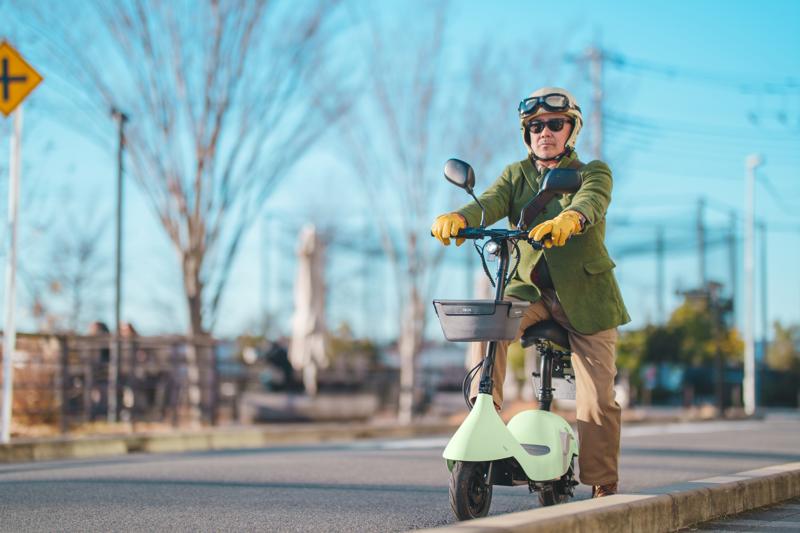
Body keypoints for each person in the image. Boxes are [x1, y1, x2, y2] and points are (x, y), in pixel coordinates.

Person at [430, 87, 630, 498]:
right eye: (536, 126)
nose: (545, 132)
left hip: (588, 299)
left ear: (571, 130)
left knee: (596, 397)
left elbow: (593, 201)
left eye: (555, 124)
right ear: (527, 134)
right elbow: (487, 203)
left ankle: (603, 483)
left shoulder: (593, 171)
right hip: (531, 292)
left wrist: (570, 219)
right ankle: (485, 420)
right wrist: (458, 216)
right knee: (493, 323)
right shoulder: (515, 175)